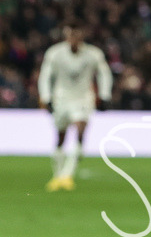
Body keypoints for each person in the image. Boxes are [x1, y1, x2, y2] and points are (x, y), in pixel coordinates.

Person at [37, 22, 113, 191]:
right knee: (60, 138)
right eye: (71, 36)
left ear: (82, 37)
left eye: (77, 36)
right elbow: (45, 75)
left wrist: (105, 95)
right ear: (66, 36)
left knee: (80, 131)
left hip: (83, 99)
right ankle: (57, 176)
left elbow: (104, 73)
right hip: (61, 98)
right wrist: (46, 97)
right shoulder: (55, 53)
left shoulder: (93, 54)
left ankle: (67, 175)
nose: (74, 39)